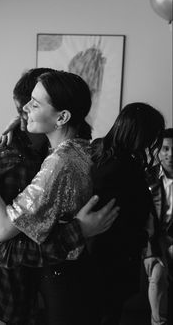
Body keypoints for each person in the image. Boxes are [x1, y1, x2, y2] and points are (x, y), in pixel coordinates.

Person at [0, 68, 119, 325]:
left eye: (35, 103)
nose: (26, 109)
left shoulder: (57, 162)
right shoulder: (81, 148)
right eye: (26, 103)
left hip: (4, 295)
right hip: (44, 287)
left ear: (63, 117)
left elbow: (1, 236)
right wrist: (22, 122)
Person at [87, 102, 165, 325]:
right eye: (152, 136)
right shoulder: (124, 169)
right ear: (141, 134)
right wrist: (142, 236)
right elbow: (126, 219)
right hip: (112, 258)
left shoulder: (98, 151)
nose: (153, 143)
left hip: (93, 256)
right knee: (108, 315)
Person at [143, 128, 173, 325]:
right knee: (157, 276)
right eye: (166, 149)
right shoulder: (148, 178)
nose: (171, 155)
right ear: (158, 152)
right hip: (154, 241)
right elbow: (144, 221)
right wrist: (151, 250)